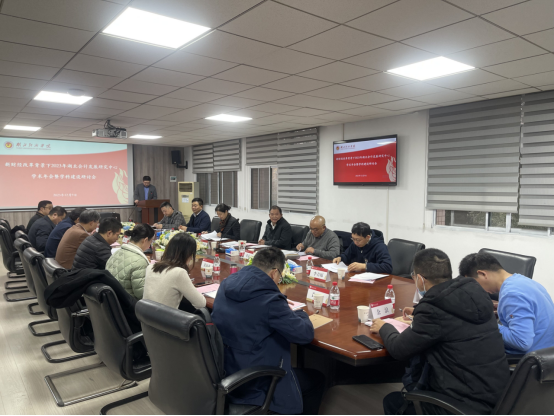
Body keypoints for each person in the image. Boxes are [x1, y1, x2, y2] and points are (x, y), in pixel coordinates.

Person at [370, 249, 509, 415]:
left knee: (392, 402)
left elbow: (399, 349)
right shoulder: (476, 292)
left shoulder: (433, 309)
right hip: (497, 398)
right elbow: (452, 321)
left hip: (462, 405)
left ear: (420, 279)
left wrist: (384, 327)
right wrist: (419, 312)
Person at [212, 247, 325, 415]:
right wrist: (300, 313)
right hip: (256, 382)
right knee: (317, 379)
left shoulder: (226, 284)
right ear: (274, 273)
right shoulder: (270, 300)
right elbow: (304, 334)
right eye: (280, 277)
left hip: (225, 368)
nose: (279, 281)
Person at [460, 252, 554, 355]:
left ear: (482, 274)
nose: (477, 289)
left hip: (528, 358)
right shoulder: (524, 281)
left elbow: (521, 342)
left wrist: (486, 324)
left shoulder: (511, 293)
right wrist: (502, 308)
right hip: (546, 351)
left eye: (475, 284)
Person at [143, 233, 206, 310]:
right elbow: (201, 303)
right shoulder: (179, 273)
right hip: (165, 317)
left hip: (145, 316)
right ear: (188, 254)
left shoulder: (150, 267)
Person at [107, 224, 155, 300]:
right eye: (151, 242)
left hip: (114, 300)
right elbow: (142, 294)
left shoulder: (116, 253)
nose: (150, 245)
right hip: (128, 304)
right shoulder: (139, 261)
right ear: (145, 240)